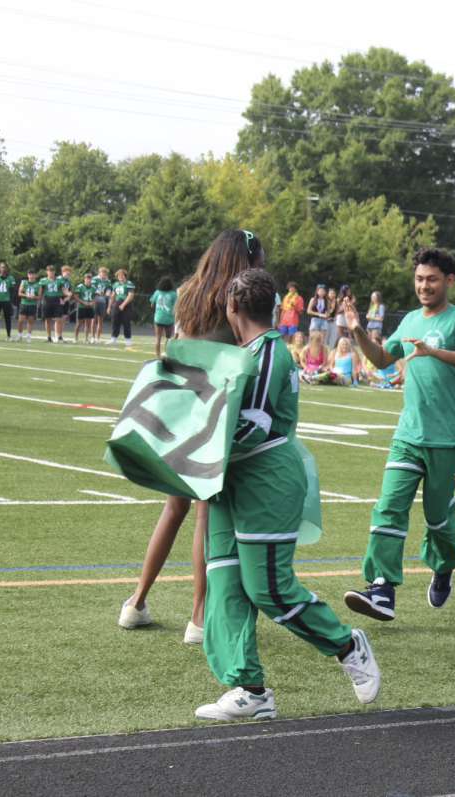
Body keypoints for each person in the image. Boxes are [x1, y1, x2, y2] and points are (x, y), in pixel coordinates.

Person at [194, 266, 380, 720]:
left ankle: (346, 644)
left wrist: (188, 450)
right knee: (225, 583)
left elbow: (251, 428)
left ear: (231, 306)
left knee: (268, 588)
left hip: (263, 480)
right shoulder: (252, 351)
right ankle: (249, 689)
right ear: (276, 307)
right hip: (227, 481)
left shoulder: (265, 354)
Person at [118, 228, 266, 643]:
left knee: (173, 509)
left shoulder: (190, 291)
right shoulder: (235, 298)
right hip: (214, 411)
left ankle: (136, 603)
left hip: (179, 406)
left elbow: (178, 346)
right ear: (247, 259)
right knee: (205, 513)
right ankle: (199, 618)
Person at [342, 247, 455, 619]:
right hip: (408, 435)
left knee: (439, 520)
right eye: (420, 278)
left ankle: (443, 564)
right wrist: (358, 329)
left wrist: (434, 352)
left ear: (448, 281)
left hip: (450, 438)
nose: (424, 285)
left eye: (432, 279)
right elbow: (382, 359)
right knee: (388, 507)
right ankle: (382, 588)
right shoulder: (407, 322)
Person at [149, 277, 178, 359]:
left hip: (158, 317)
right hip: (169, 318)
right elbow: (176, 305)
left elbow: (152, 304)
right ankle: (165, 352)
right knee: (168, 337)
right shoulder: (173, 294)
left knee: (158, 338)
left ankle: (157, 356)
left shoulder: (157, 292)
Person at [39, 264, 68, 343]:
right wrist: (38, 297)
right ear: (46, 272)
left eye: (52, 271)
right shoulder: (43, 280)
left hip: (56, 300)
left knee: (58, 319)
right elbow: (40, 290)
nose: (51, 273)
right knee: (47, 319)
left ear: (54, 272)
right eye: (49, 271)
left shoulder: (59, 280)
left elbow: (63, 289)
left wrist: (68, 293)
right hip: (46, 300)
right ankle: (49, 337)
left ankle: (59, 336)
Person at [106, 269, 135, 345]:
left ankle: (128, 340)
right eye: (119, 275)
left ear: (125, 276)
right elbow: (112, 296)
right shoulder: (115, 284)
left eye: (122, 275)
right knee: (115, 321)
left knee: (126, 321)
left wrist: (123, 304)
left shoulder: (129, 283)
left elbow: (130, 295)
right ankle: (114, 338)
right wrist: (109, 306)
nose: (120, 276)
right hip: (117, 302)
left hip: (126, 303)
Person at [17, 267, 40, 342]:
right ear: (28, 275)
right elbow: (19, 293)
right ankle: (19, 335)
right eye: (30, 274)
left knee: (30, 321)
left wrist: (34, 297)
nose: (32, 276)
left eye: (33, 274)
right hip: (24, 303)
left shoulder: (38, 284)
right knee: (21, 320)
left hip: (32, 304)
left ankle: (28, 336)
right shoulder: (24, 282)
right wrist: (26, 296)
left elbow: (39, 296)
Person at [72, 272, 97, 343]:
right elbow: (76, 297)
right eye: (87, 279)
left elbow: (94, 297)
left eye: (90, 279)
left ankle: (85, 338)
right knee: (79, 322)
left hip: (89, 307)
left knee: (88, 323)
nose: (88, 280)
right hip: (82, 306)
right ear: (84, 279)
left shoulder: (93, 287)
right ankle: (75, 337)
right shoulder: (80, 287)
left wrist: (92, 302)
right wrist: (83, 302)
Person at [91, 267, 111, 344]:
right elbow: (92, 288)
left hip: (102, 301)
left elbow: (109, 289)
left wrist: (108, 292)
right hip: (95, 300)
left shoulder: (107, 281)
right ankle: (92, 337)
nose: (103, 274)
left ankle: (97, 337)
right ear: (99, 273)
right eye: (102, 272)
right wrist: (97, 291)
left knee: (100, 320)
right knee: (93, 319)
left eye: (105, 273)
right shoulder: (95, 279)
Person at [0, 261, 15, 342]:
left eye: (5, 267)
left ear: (7, 268)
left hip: (6, 300)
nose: (3, 269)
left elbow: (12, 291)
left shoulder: (10, 278)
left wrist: (11, 301)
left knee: (7, 319)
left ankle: (8, 335)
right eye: (2, 267)